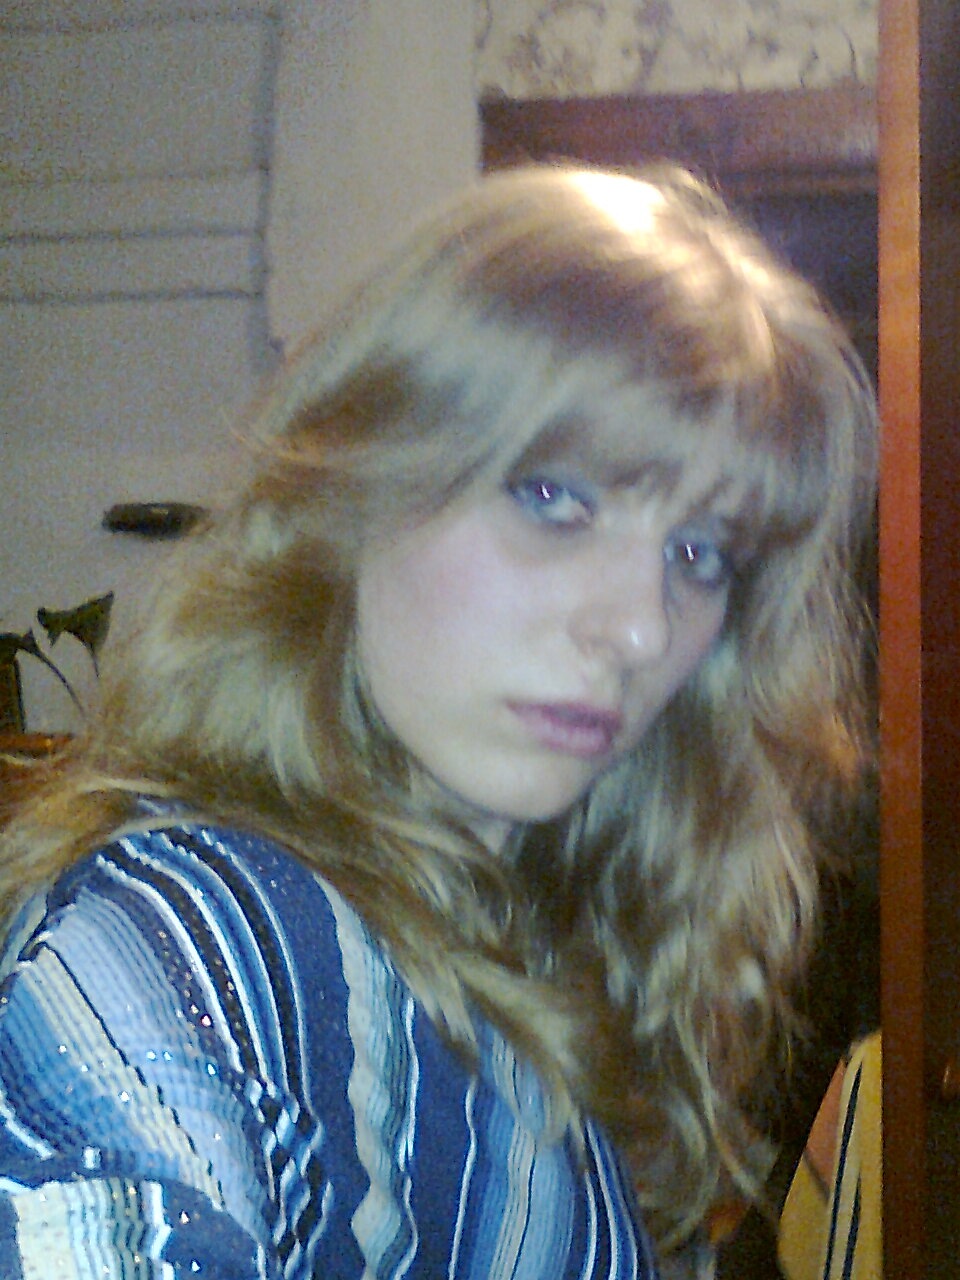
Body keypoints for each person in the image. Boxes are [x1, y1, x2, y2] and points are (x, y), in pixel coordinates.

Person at [0, 164, 876, 1279]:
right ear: (353, 485)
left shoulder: (542, 950)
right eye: (554, 496)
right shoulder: (193, 939)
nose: (641, 626)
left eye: (698, 552)